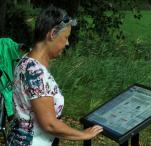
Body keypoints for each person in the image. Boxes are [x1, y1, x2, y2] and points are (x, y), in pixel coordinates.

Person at [6, 5, 103, 146]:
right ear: (52, 34)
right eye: (66, 38)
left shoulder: (26, 61)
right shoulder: (35, 72)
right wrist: (84, 134)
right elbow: (49, 124)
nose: (67, 43)